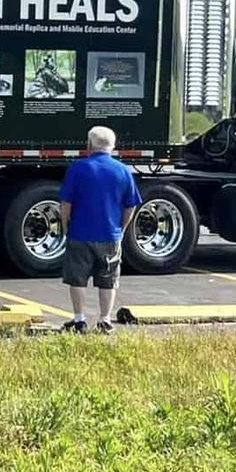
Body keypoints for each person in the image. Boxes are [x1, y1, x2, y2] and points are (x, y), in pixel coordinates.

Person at [58, 124, 142, 334]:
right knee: (108, 279)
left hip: (80, 232)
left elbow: (66, 203)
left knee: (77, 278)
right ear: (112, 146)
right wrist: (121, 228)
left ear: (89, 145)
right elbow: (131, 205)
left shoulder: (78, 168)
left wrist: (65, 225)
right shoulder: (123, 170)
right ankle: (105, 320)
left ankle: (79, 319)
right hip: (109, 234)